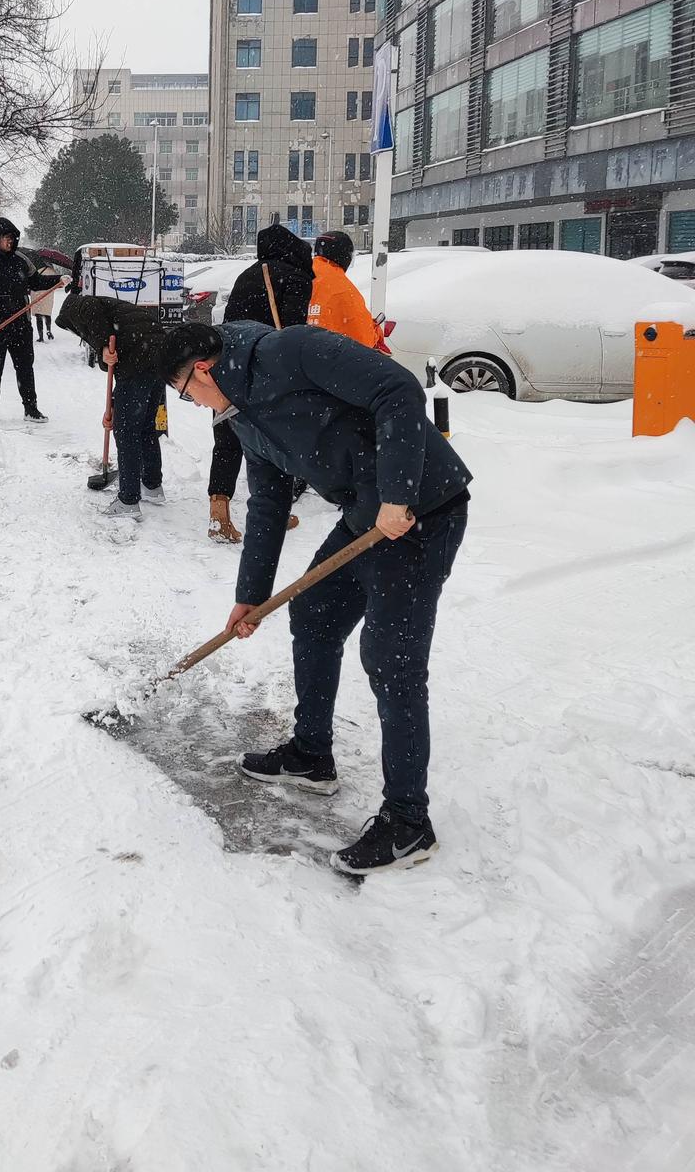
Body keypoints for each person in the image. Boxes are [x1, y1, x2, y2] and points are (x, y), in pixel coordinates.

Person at [155, 318, 471, 875]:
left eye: (184, 393)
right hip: (363, 515)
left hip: (418, 513)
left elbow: (398, 390)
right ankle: (311, 753)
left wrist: (396, 494)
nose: (192, 403)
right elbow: (269, 502)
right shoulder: (243, 416)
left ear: (201, 369)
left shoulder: (291, 352)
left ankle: (408, 822)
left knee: (391, 660)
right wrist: (249, 596)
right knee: (315, 612)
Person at [208, 224, 314, 546]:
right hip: (263, 368)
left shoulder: (248, 273)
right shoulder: (294, 276)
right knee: (270, 442)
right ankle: (274, 514)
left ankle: (218, 514)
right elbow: (293, 332)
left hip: (225, 361)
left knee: (227, 439)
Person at [56, 294, 167, 522]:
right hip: (159, 358)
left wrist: (103, 345)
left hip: (138, 361)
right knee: (146, 427)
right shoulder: (117, 311)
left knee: (126, 431)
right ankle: (152, 486)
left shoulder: (81, 305)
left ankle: (128, 499)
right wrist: (114, 407)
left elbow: (102, 333)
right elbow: (111, 356)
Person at [0, 218, 62, 423]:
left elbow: (37, 281)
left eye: (12, 238)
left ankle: (31, 409)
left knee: (25, 367)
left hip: (21, 324)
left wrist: (58, 280)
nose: (10, 242)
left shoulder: (21, 259)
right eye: (6, 238)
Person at [309, 231, 387, 350]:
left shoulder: (299, 273)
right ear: (345, 256)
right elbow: (363, 338)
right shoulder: (342, 288)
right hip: (327, 357)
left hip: (291, 355)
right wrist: (376, 334)